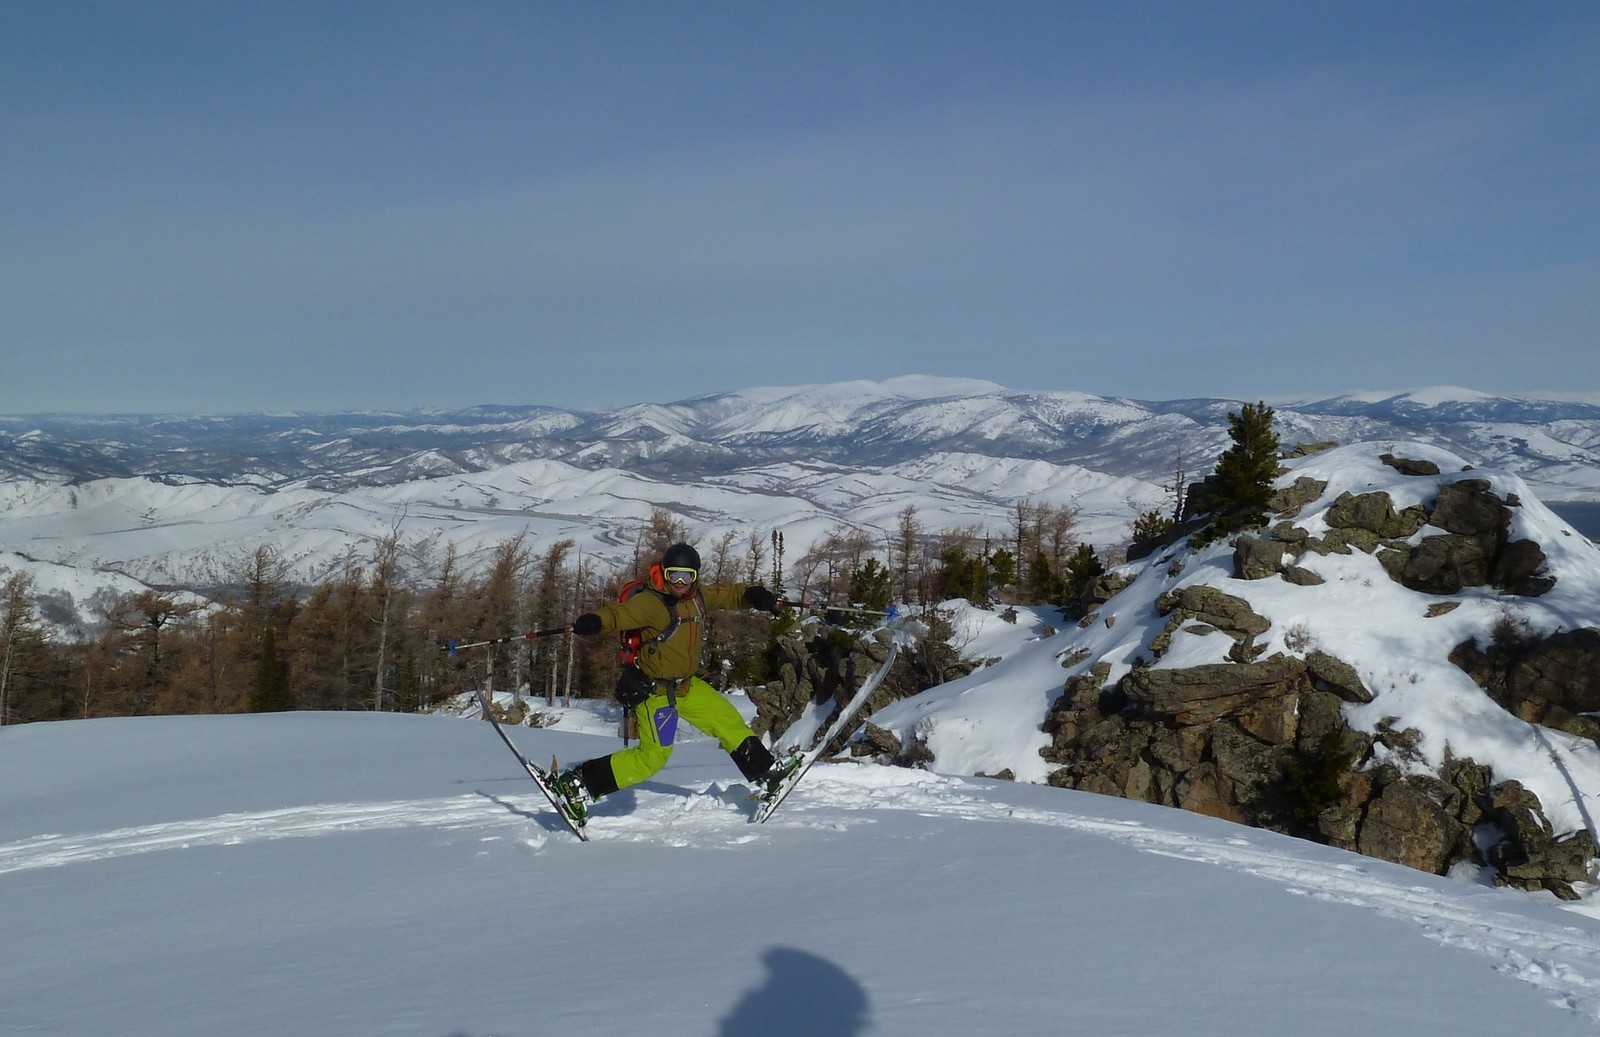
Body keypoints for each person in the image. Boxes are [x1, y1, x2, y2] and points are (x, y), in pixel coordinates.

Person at [550, 542, 798, 823]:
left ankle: (767, 775)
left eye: (687, 576)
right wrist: (595, 621)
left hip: (686, 686)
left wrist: (755, 596)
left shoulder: (698, 597)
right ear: (664, 573)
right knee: (652, 757)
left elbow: (730, 595)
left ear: (696, 576)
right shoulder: (651, 604)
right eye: (673, 575)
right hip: (654, 691)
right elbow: (618, 615)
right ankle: (577, 785)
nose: (680, 582)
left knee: (727, 720)